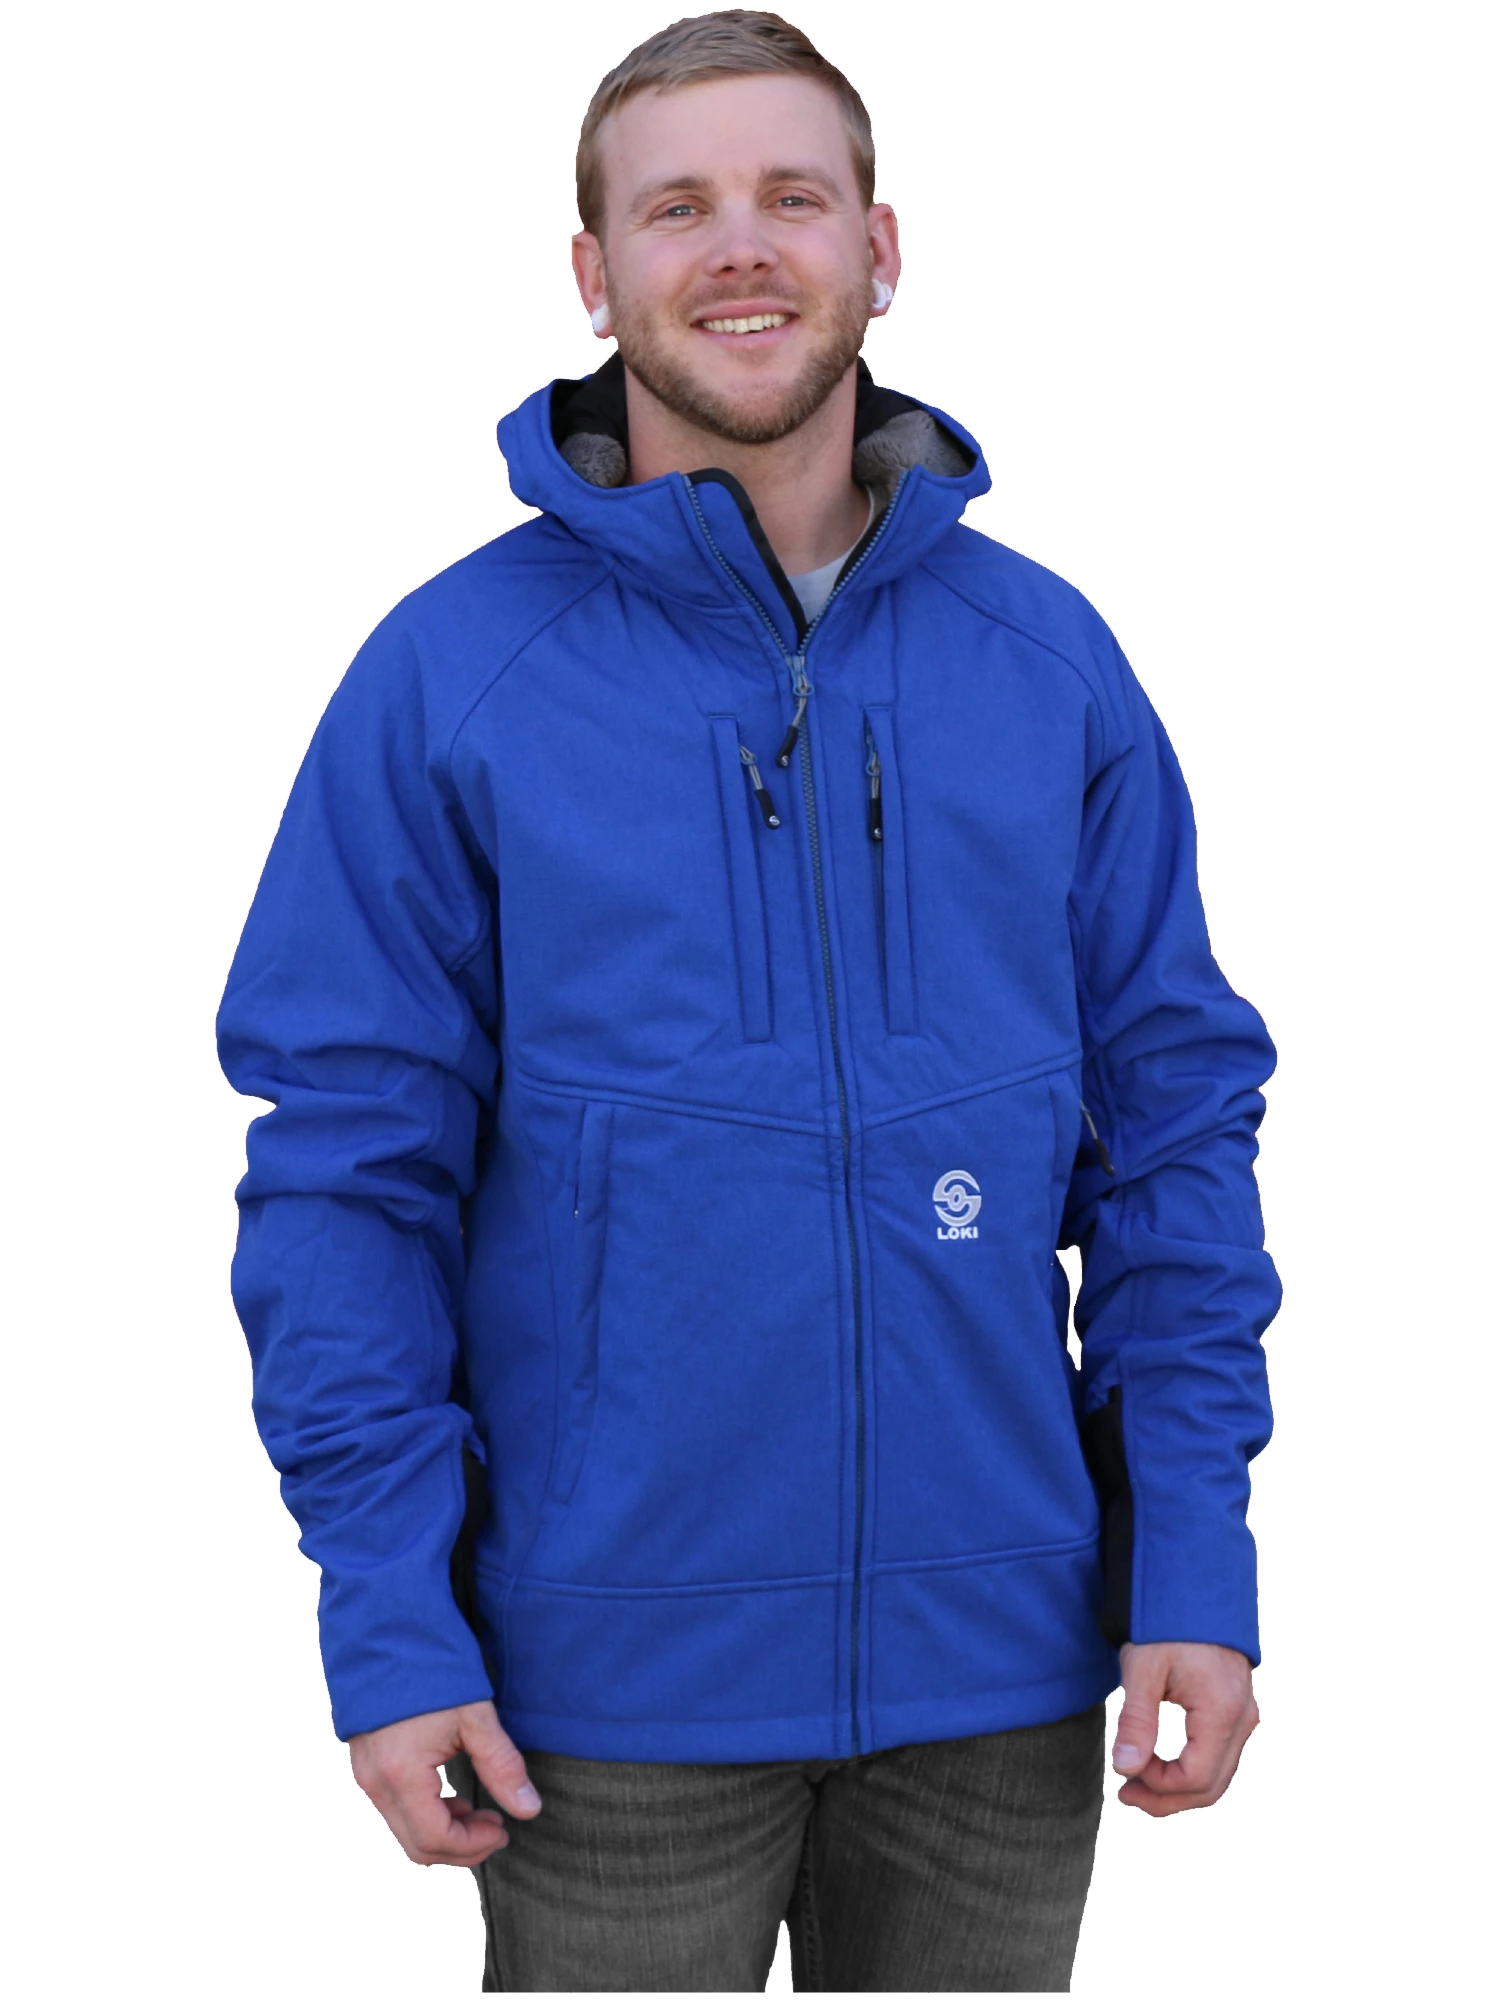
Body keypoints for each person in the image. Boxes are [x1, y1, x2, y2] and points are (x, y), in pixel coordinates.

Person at [214, 11, 1280, 1994]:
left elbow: (1174, 1133)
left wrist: (1193, 1559)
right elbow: (346, 1182)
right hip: (605, 1701)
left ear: (883, 249)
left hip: (1001, 1685)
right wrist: (390, 1620)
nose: (740, 247)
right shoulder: (449, 675)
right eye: (675, 205)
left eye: (794, 196)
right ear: (592, 270)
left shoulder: (1047, 659)